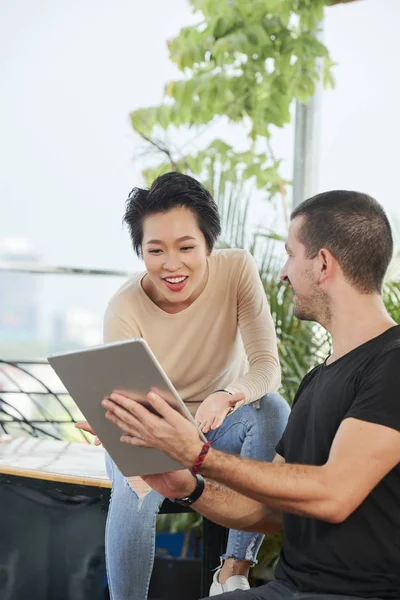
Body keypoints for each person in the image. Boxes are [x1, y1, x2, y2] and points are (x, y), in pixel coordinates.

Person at [103, 190, 400, 600]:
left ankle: (234, 569)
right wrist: (186, 487)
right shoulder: (318, 380)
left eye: (290, 255)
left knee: (268, 407)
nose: (282, 273)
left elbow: (334, 493)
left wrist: (200, 453)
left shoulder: (394, 362)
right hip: (287, 590)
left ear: (324, 264)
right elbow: (270, 511)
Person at [77, 172, 290, 599]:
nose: (171, 265)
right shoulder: (124, 308)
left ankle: (232, 571)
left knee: (273, 409)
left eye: (186, 247)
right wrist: (110, 419)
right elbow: (122, 404)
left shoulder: (236, 270)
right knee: (133, 480)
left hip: (220, 427)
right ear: (142, 251)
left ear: (208, 244)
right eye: (155, 250)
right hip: (155, 432)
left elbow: (267, 365)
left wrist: (230, 395)